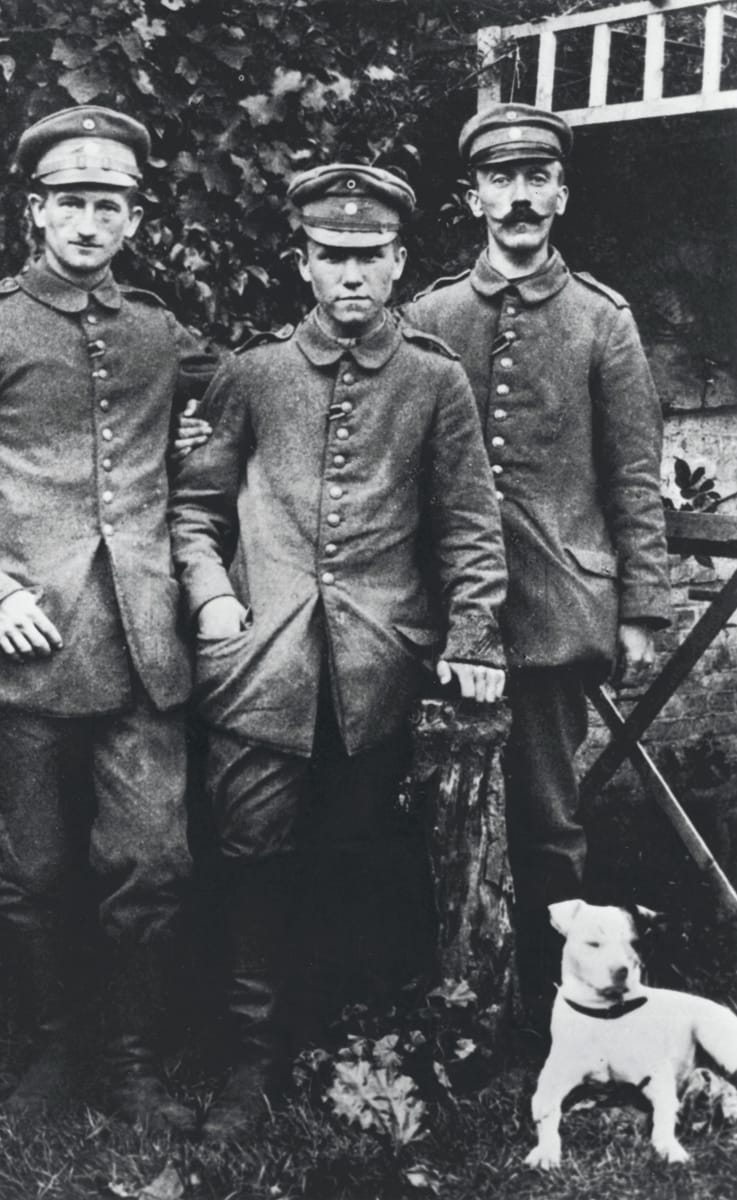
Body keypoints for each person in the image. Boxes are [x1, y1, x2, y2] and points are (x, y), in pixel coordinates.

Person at [168, 162, 508, 1141]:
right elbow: (194, 514)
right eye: (333, 257)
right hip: (258, 669)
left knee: (354, 857)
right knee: (250, 855)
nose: (352, 275)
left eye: (370, 257)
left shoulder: (435, 380)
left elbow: (469, 530)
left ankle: (334, 1046)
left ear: (399, 261)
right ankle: (248, 1066)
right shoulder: (252, 373)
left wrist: (475, 633)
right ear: (303, 263)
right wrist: (214, 595)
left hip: (377, 670)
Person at [0, 105, 214, 1126]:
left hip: (140, 643)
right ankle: (52, 1054)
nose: (89, 220)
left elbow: (226, 417)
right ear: (36, 211)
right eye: (70, 201)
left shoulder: (158, 331)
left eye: (108, 203)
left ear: (132, 219)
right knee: (31, 870)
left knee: (151, 859)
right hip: (18, 649)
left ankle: (131, 1066)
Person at [401, 103, 671, 1018]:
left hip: (555, 607)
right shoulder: (427, 313)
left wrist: (640, 608)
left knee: (545, 815)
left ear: (560, 191)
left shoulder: (602, 320)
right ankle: (442, 983)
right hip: (435, 608)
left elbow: (633, 475)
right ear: (472, 195)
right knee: (428, 796)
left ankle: (546, 1006)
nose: (518, 199)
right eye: (500, 181)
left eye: (535, 180)